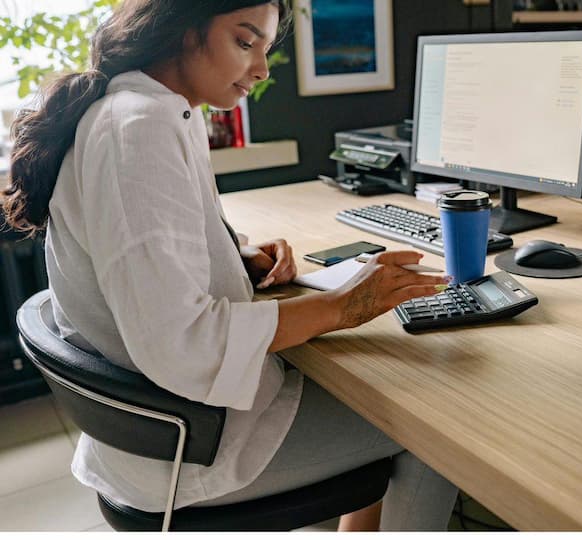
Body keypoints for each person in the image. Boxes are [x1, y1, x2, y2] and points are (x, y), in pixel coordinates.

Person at [2, 0, 458, 531]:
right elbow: (183, 341)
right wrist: (343, 307)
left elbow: (138, 249)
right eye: (245, 42)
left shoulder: (157, 110)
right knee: (442, 434)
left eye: (265, 48)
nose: (262, 69)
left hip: (169, 426)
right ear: (182, 29)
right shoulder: (140, 128)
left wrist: (234, 254)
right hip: (188, 447)